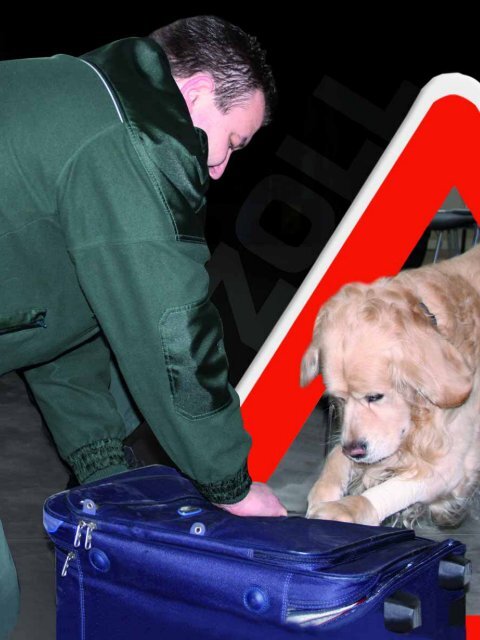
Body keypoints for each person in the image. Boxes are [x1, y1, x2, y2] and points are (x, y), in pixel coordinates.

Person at [0, 16, 286, 638]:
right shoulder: (120, 144)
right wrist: (231, 481)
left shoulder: (78, 99)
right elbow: (173, 331)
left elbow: (58, 319)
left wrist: (100, 459)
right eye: (233, 144)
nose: (219, 172)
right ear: (198, 94)